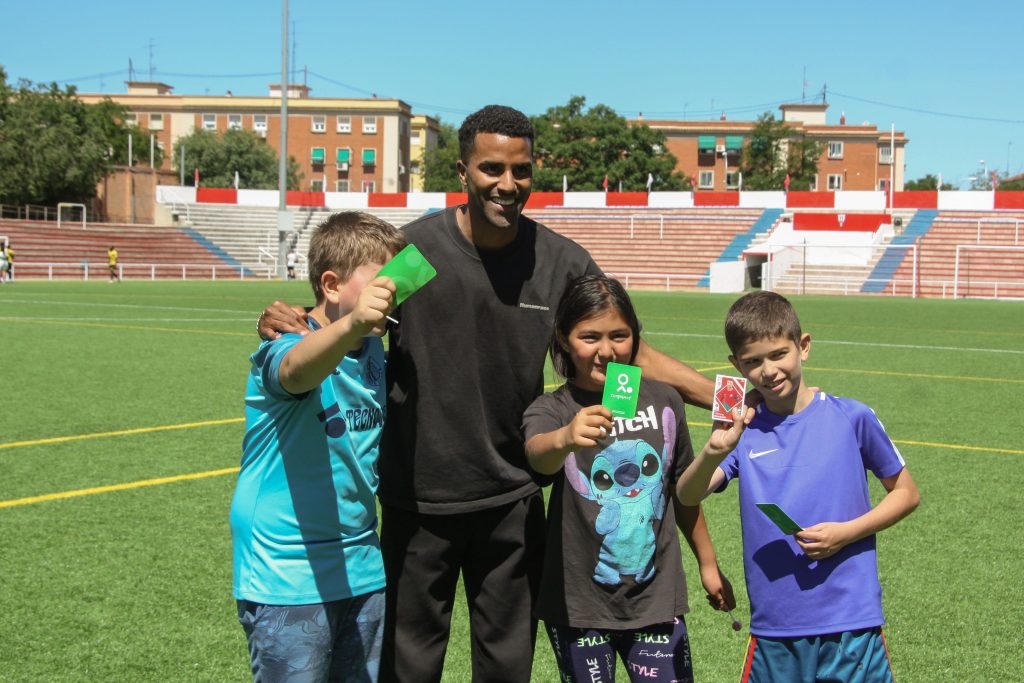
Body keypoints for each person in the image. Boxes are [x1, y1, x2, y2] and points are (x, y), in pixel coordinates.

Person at [259, 104, 714, 682]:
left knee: (506, 670)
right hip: (417, 502)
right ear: (463, 170)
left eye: (520, 170)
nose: (507, 184)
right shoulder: (417, 252)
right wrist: (295, 316)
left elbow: (624, 350)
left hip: (514, 502)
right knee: (409, 670)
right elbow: (352, 309)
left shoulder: (559, 261)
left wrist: (725, 395)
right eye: (491, 168)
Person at [677, 291, 920, 683]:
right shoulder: (745, 433)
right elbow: (687, 495)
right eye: (753, 362)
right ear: (736, 365)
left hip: (850, 622)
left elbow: (907, 493)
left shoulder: (852, 416)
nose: (768, 371)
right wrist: (713, 449)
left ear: (802, 346)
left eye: (778, 354)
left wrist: (846, 533)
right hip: (776, 627)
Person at [522, 275, 734, 683]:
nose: (606, 351)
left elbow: (681, 490)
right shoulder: (553, 409)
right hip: (578, 604)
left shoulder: (664, 402)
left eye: (620, 335)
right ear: (564, 339)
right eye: (590, 337)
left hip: (655, 600)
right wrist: (566, 438)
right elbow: (539, 457)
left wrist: (708, 563)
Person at [232, 211, 405, 682]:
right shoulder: (283, 342)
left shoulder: (373, 348)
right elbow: (295, 372)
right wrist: (350, 326)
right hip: (286, 573)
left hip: (362, 567)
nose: (396, 293)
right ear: (331, 285)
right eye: (384, 282)